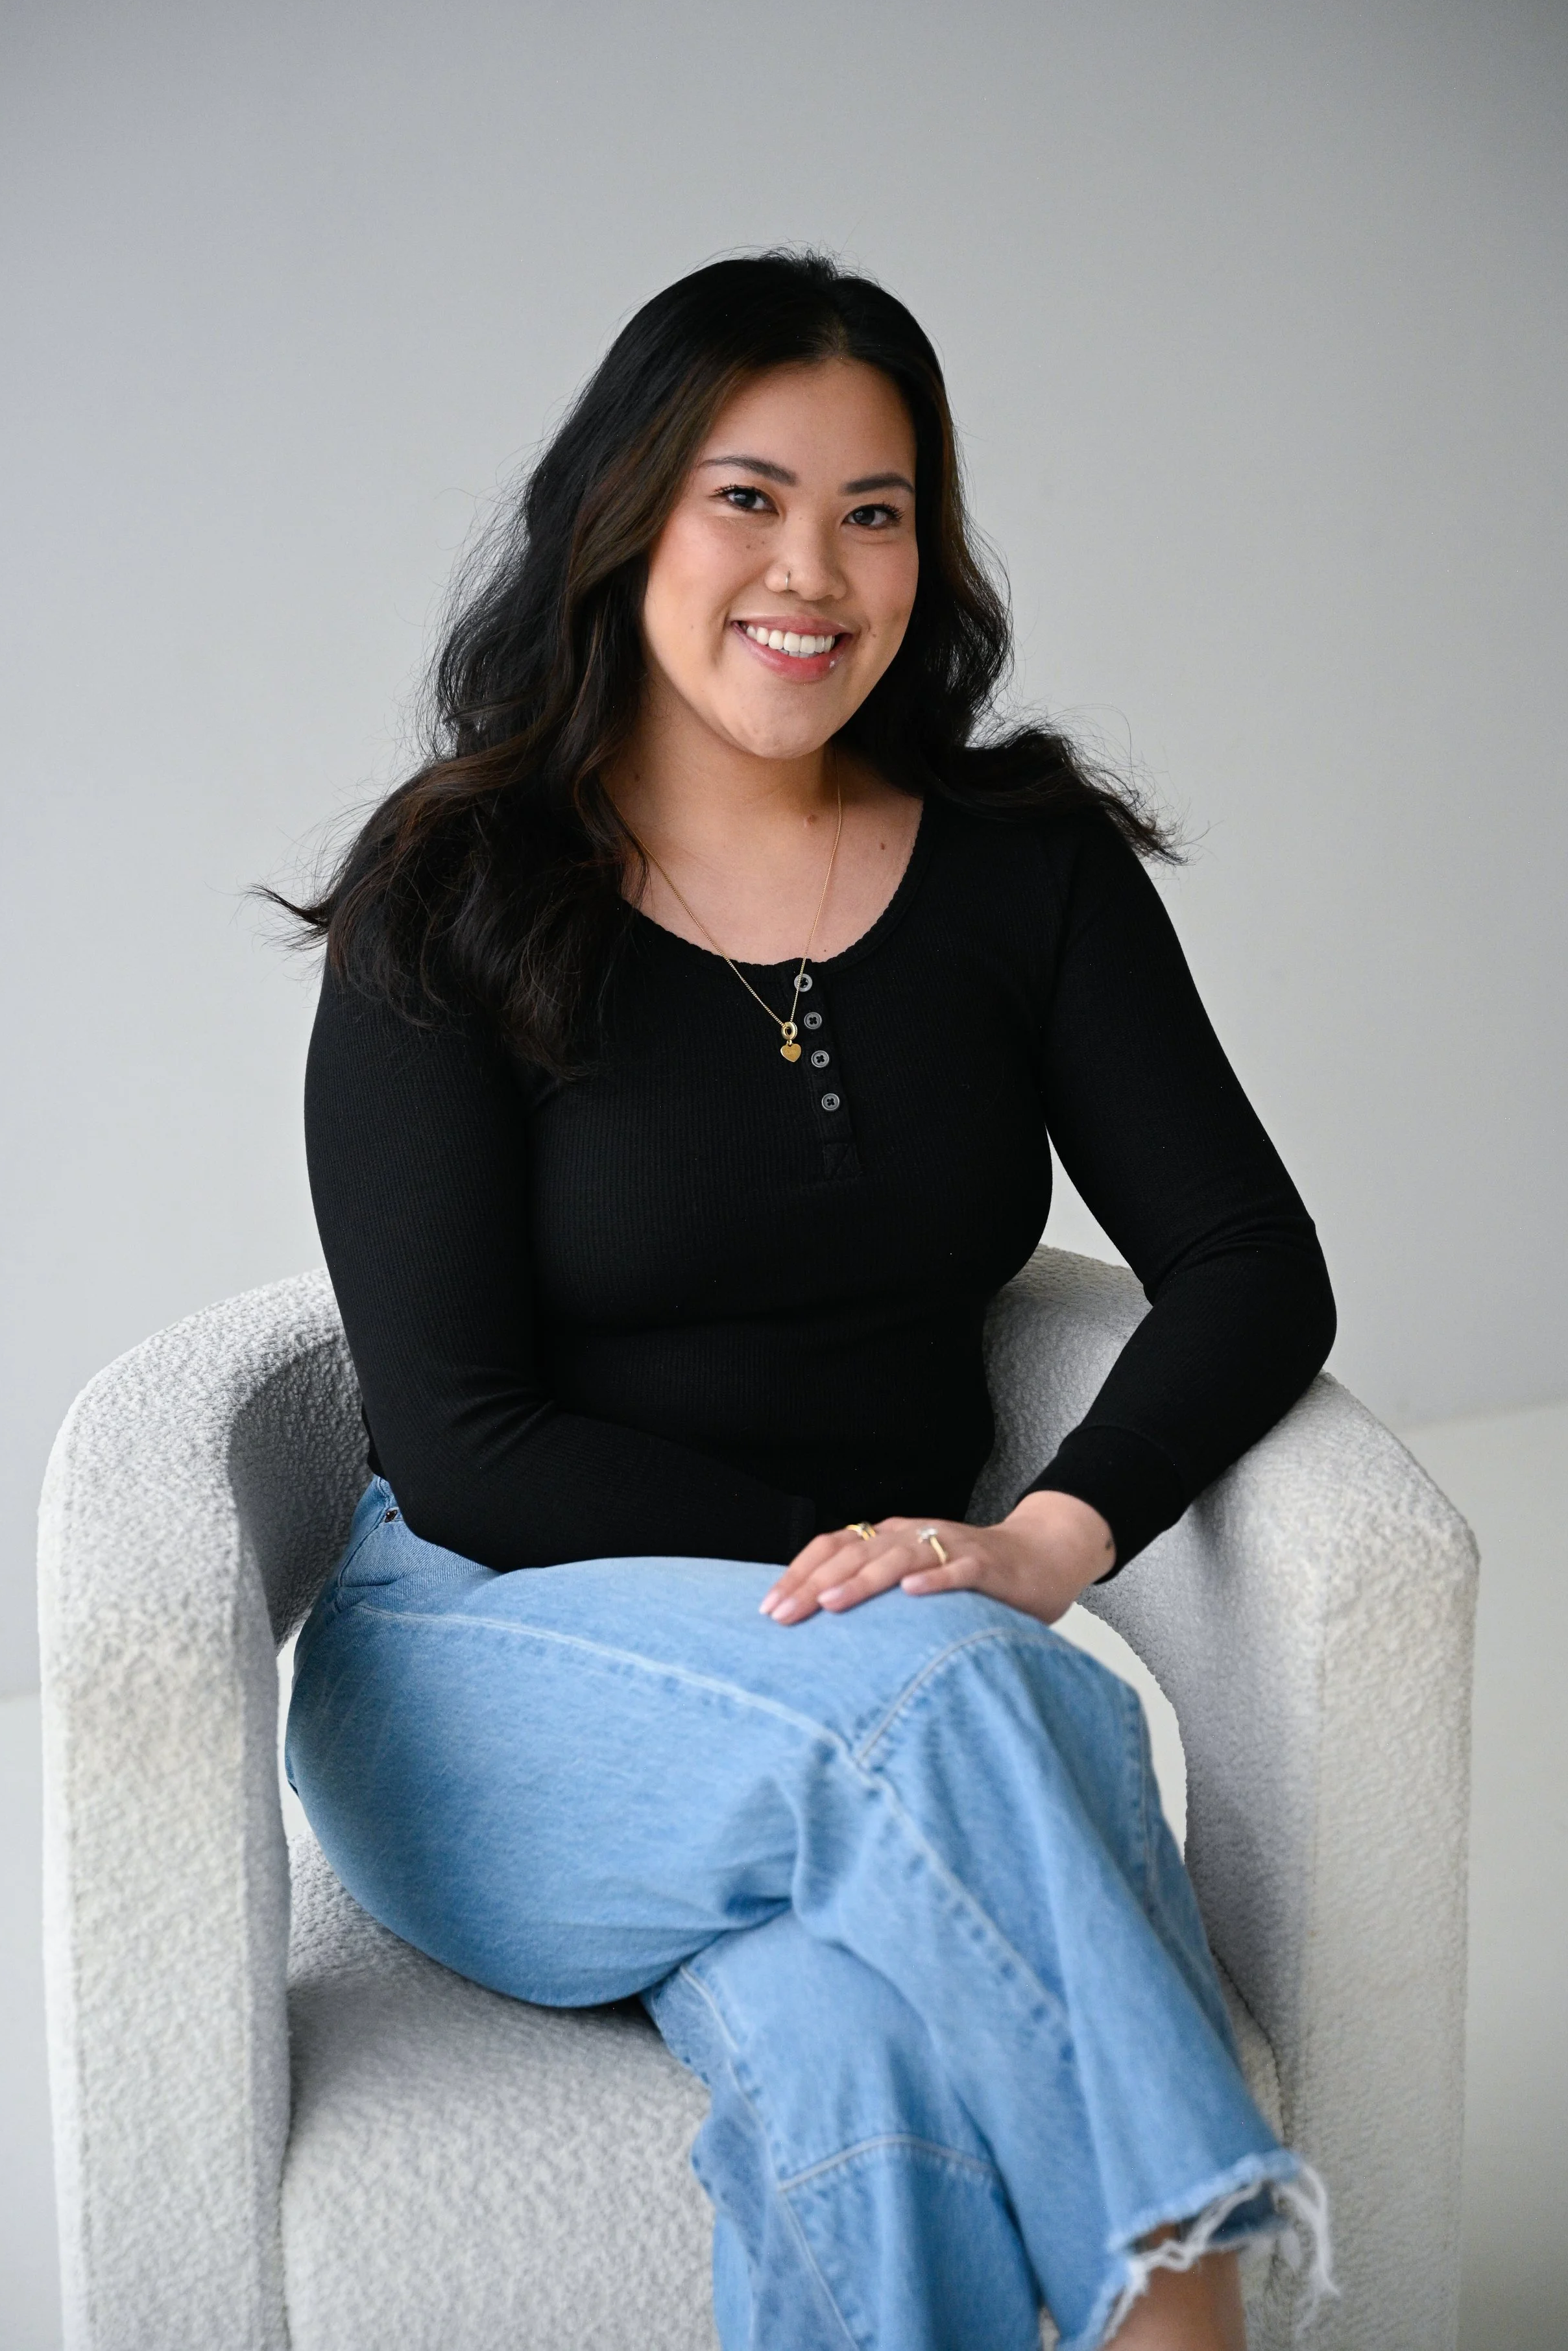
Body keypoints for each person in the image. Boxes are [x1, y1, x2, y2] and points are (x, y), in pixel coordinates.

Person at [281, 250, 1336, 2351]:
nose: (815, 568)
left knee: (853, 2067)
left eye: (876, 508)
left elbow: (1248, 1265)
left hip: (882, 1696)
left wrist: (1043, 1535)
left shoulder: (1024, 870)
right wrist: (902, 1588)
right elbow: (458, 1437)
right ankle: (1191, 2303)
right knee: (965, 1697)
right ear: (625, 518)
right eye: (746, 497)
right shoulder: (460, 887)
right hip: (495, 1664)